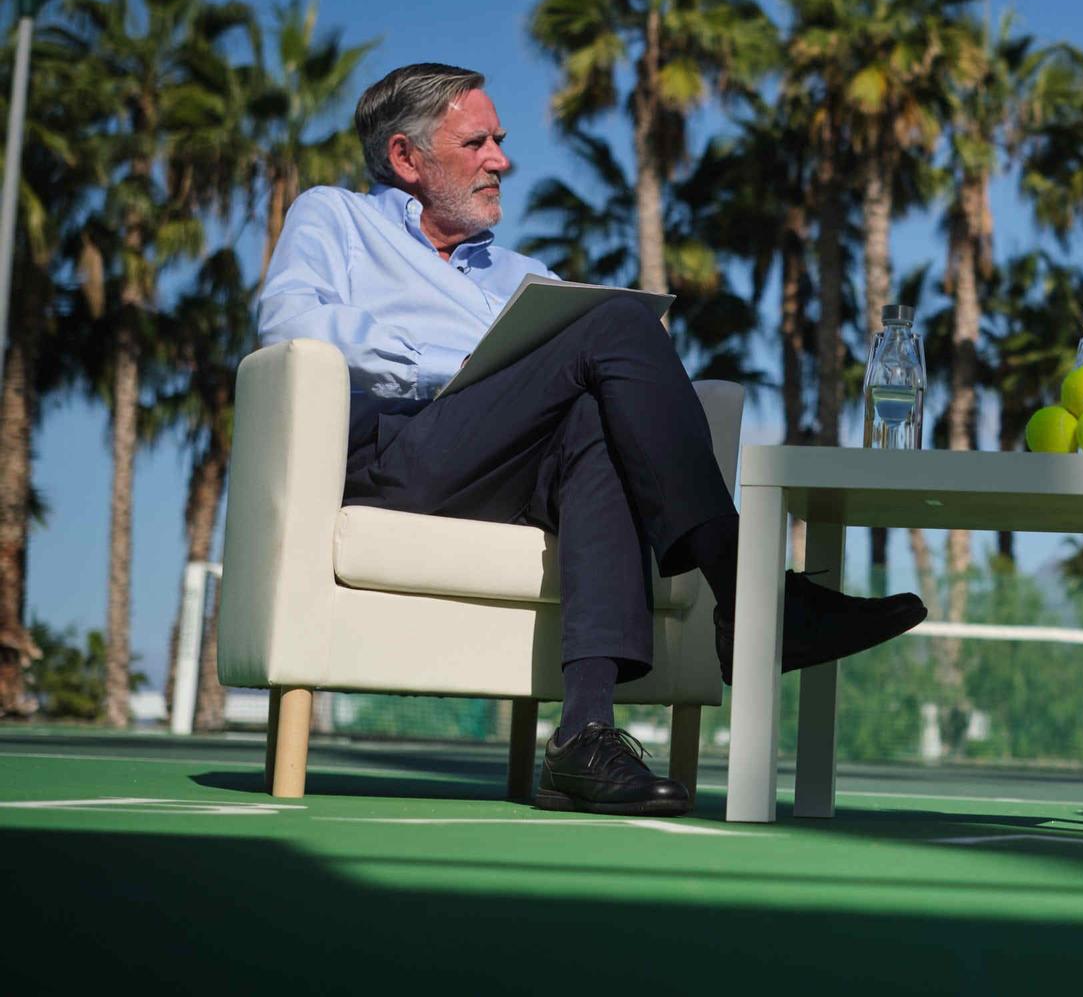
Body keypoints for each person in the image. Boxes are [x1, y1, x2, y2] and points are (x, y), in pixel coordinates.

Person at [258, 63, 926, 817]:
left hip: (507, 465)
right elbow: (288, 323)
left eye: (500, 142)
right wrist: (461, 365)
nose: (501, 160)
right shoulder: (336, 217)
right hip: (398, 454)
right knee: (614, 323)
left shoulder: (520, 273)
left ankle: (584, 734)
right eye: (477, 142)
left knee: (599, 420)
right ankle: (755, 593)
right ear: (407, 158)